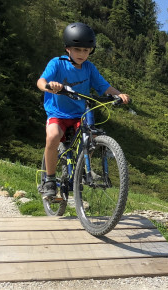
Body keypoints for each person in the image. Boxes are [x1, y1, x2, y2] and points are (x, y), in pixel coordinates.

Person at [36, 22, 130, 199]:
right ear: (68, 49)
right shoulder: (57, 63)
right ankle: (49, 179)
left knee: (92, 136)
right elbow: (41, 81)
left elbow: (104, 87)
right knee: (53, 136)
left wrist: (119, 94)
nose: (82, 54)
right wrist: (49, 86)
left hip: (81, 114)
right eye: (77, 50)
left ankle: (82, 167)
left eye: (86, 50)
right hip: (58, 113)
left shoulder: (89, 68)